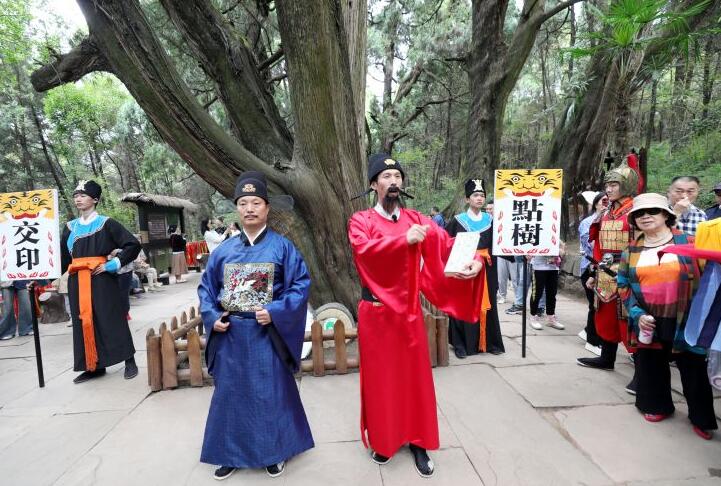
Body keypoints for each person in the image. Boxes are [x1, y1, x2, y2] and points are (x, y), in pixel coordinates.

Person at [348, 154, 486, 478]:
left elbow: (448, 245)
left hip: (408, 314)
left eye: (397, 175)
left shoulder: (416, 218)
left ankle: (418, 442)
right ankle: (384, 440)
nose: (393, 181)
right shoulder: (361, 220)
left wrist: (476, 260)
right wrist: (401, 240)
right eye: (386, 176)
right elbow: (363, 251)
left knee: (415, 381)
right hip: (376, 314)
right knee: (381, 380)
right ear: (373, 184)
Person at [198, 171, 313, 480]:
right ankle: (228, 452)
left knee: (270, 392)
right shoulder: (222, 252)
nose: (249, 208)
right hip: (232, 333)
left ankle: (274, 452)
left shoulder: (283, 248)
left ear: (267, 208)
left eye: (256, 202)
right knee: (230, 395)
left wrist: (275, 310)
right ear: (237, 208)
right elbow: (206, 291)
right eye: (243, 203)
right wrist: (213, 318)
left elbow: (300, 286)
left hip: (266, 333)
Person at [618, 192, 717, 439]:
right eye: (639, 213)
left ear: (666, 214)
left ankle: (701, 417)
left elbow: (711, 277)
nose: (646, 216)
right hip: (648, 318)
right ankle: (655, 405)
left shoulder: (691, 242)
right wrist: (637, 313)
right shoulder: (631, 250)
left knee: (693, 367)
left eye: (652, 211)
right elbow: (623, 284)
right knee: (651, 364)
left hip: (686, 316)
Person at [60, 180, 141, 384]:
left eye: (83, 195)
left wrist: (112, 264)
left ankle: (129, 360)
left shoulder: (107, 223)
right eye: (76, 195)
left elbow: (133, 245)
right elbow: (62, 260)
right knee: (84, 321)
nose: (78, 198)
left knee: (111, 318)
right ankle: (93, 365)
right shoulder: (70, 228)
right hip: (78, 280)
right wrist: (42, 278)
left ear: (95, 199)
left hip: (101, 278)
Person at [576, 162, 639, 395]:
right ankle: (606, 358)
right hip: (604, 271)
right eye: (608, 185)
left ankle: (642, 373)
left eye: (614, 184)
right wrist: (594, 273)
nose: (609, 189)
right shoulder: (606, 212)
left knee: (628, 322)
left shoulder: (636, 211)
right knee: (606, 317)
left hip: (628, 273)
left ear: (627, 185)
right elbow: (598, 247)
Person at [445, 179, 505, 357]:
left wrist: (520, 253)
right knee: (463, 302)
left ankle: (490, 342)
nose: (479, 199)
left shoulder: (492, 221)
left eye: (482, 196)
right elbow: (446, 243)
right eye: (475, 195)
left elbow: (501, 244)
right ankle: (462, 344)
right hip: (465, 266)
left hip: (487, 267)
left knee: (489, 303)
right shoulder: (458, 221)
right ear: (467, 199)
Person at [578, 192, 608, 355]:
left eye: (608, 201)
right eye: (603, 201)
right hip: (591, 266)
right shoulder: (587, 222)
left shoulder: (612, 220)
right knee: (594, 305)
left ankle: (587, 331)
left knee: (603, 304)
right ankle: (592, 341)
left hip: (607, 268)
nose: (605, 204)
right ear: (596, 203)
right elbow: (588, 243)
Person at [529, 243, 565, 331]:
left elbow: (561, 246)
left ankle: (550, 318)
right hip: (539, 266)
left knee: (552, 293)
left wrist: (560, 250)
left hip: (553, 266)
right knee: (537, 293)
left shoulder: (554, 230)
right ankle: (533, 317)